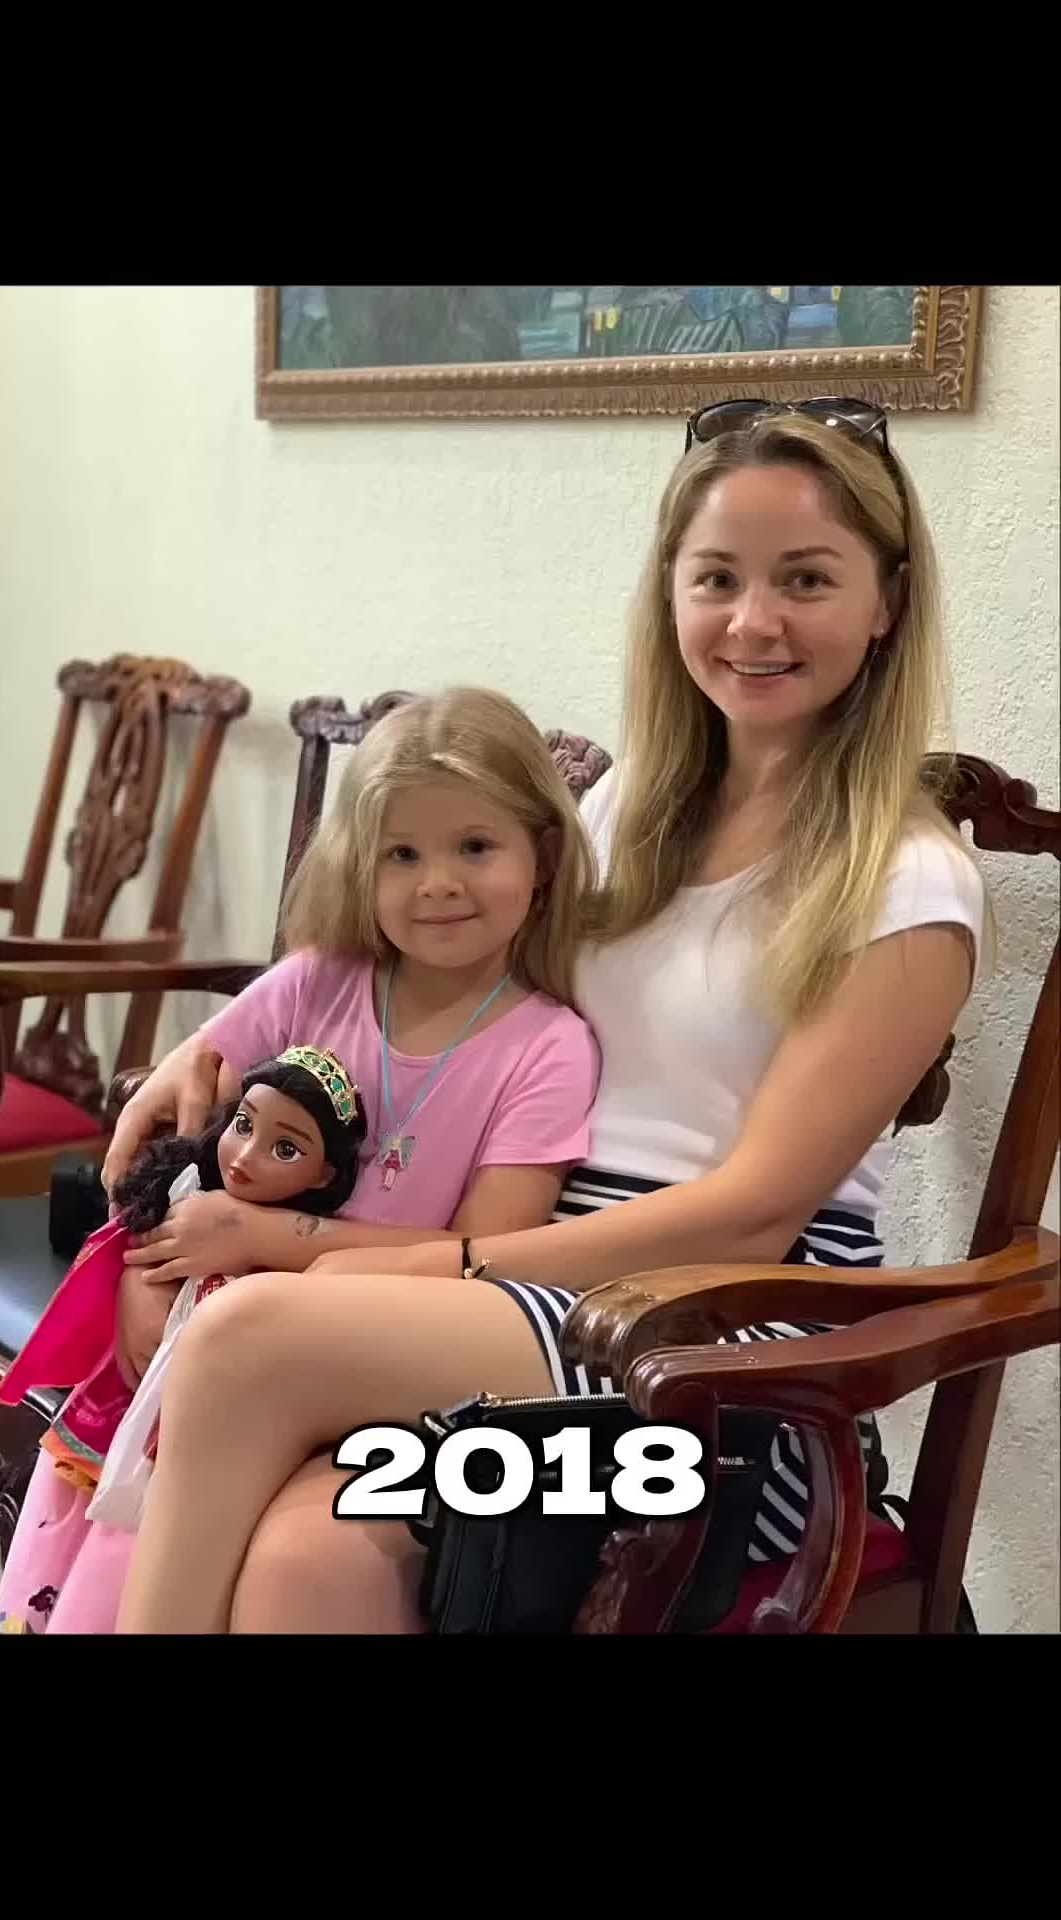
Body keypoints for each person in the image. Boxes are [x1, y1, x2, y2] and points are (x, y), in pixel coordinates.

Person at [113, 397, 987, 1636]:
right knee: (311, 1562)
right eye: (717, 578)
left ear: (887, 600)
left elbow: (753, 1214)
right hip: (525, 1317)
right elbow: (416, 959)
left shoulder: (908, 881)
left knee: (246, 1337)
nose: (754, 622)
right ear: (670, 592)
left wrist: (387, 1262)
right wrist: (208, 1047)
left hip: (716, 1379)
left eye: (806, 579)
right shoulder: (624, 810)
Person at [0, 687, 601, 1634]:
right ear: (361, 863)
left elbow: (491, 1261)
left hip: (374, 1361)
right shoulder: (317, 985)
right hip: (202, 1351)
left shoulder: (548, 1049)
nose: (437, 883)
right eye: (403, 853)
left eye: (475, 847)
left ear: (544, 856)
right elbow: (173, 1149)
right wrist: (145, 1279)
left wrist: (263, 1237)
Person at [0, 1048, 368, 1635]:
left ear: (324, 1176)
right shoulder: (189, 1193)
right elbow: (131, 1220)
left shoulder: (301, 1261)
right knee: (58, 1522)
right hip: (121, 1406)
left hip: (196, 1431)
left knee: (127, 1560)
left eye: (284, 1150)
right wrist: (137, 1273)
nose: (245, 1156)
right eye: (243, 1126)